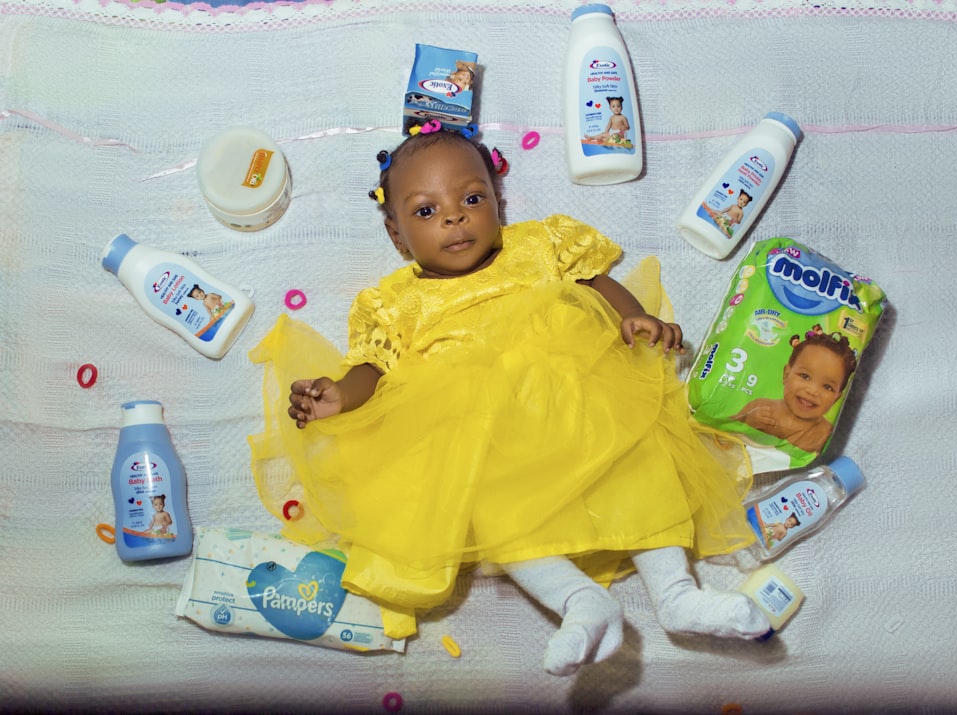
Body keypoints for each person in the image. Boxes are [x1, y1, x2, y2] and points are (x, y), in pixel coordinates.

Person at [249, 127, 769, 677]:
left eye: (472, 199)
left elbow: (594, 283)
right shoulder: (394, 302)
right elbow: (372, 370)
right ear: (397, 236)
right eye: (426, 212)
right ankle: (580, 603)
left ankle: (676, 594)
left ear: (498, 203)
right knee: (500, 514)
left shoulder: (540, 244)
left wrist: (631, 316)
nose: (454, 218)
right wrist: (339, 396)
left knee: (639, 467)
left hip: (582, 401)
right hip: (483, 434)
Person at [732, 332, 857, 453]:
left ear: (836, 398)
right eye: (805, 376)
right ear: (786, 374)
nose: (812, 391)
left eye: (827, 387)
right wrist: (747, 420)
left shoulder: (824, 433)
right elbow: (725, 426)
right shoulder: (761, 406)